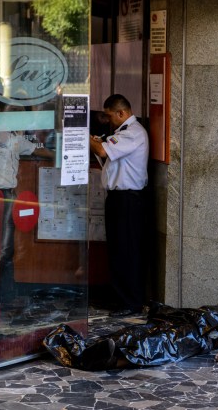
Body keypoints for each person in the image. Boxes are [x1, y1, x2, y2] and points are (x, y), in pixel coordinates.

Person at [43, 302, 218, 370]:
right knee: (143, 334)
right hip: (190, 322)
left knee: (158, 345)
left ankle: (110, 359)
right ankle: (101, 349)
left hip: (198, 335)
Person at [0, 104, 55, 305]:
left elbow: (37, 149)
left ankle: (4, 296)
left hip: (8, 196)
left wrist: (61, 154)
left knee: (6, 249)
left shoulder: (13, 136)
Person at [89, 94, 149, 317]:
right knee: (117, 249)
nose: (106, 120)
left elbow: (103, 151)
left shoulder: (132, 133)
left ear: (121, 113)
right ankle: (120, 297)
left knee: (127, 250)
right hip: (117, 198)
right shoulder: (120, 133)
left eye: (109, 115)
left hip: (128, 199)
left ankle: (131, 302)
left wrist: (85, 138)